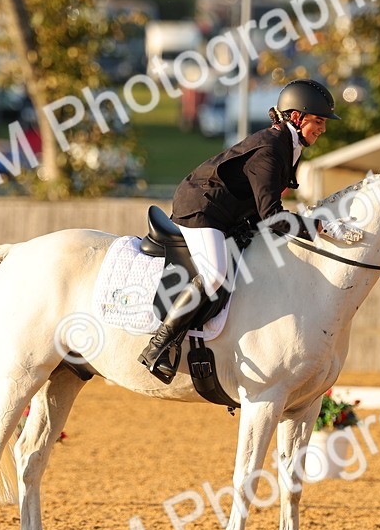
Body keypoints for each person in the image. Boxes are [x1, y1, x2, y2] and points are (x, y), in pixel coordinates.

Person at [138, 77, 363, 383]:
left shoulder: (289, 145)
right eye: (319, 121)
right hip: (202, 209)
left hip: (228, 212)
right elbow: (272, 215)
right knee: (214, 274)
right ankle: (159, 346)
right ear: (297, 118)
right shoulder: (271, 148)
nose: (323, 129)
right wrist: (321, 226)